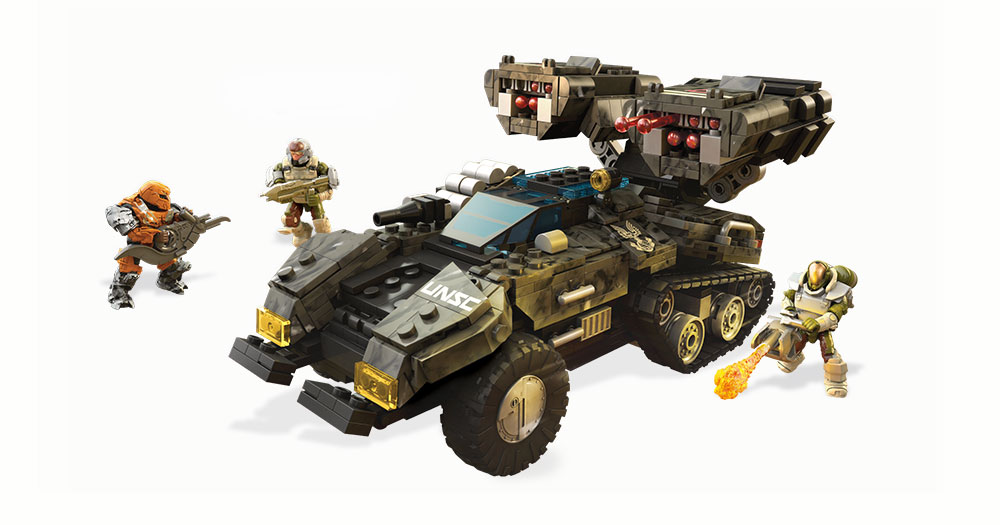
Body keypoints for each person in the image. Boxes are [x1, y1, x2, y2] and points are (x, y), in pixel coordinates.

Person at [105, 181, 192, 309]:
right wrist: (154, 236)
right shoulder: (129, 208)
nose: (166, 199)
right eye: (162, 196)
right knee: (128, 268)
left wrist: (182, 217)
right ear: (152, 195)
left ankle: (167, 281)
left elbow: (172, 219)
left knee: (174, 264)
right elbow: (134, 233)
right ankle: (118, 296)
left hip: (162, 244)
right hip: (139, 244)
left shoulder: (166, 207)